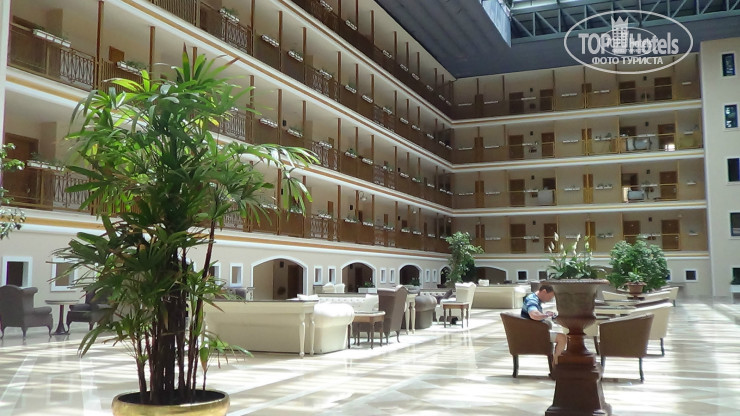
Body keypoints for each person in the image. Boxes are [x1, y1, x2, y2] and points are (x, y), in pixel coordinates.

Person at [521, 284, 566, 365]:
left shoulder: (534, 298)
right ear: (544, 291)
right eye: (551, 296)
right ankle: (556, 365)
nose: (550, 299)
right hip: (533, 334)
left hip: (533, 331)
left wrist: (545, 314)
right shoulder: (532, 300)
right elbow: (534, 315)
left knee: (562, 336)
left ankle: (557, 363)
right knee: (562, 338)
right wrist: (546, 315)